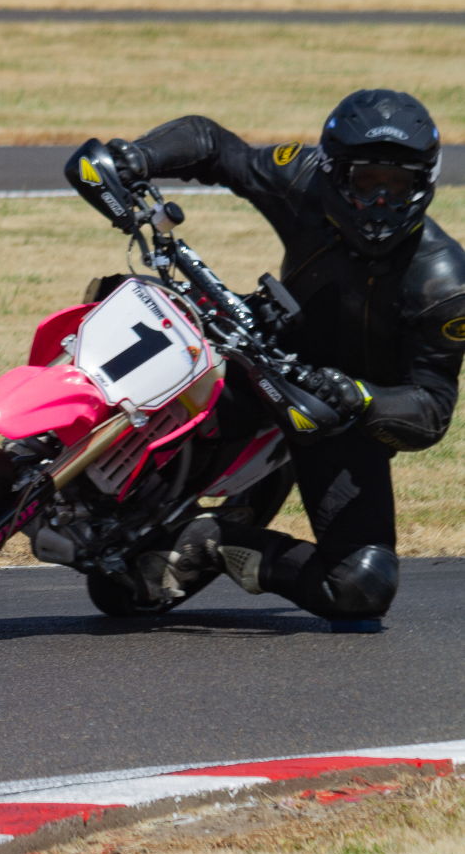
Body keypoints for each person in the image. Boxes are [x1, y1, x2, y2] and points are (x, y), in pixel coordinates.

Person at [104, 89, 463, 633]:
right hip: (252, 358)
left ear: (425, 183)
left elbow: (432, 409)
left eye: (397, 183)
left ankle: (214, 542)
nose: (380, 200)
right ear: (334, 172)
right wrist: (137, 157)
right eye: (366, 180)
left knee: (362, 585)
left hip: (335, 420)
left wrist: (360, 398)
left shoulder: (447, 286)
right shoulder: (302, 177)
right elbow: (214, 146)